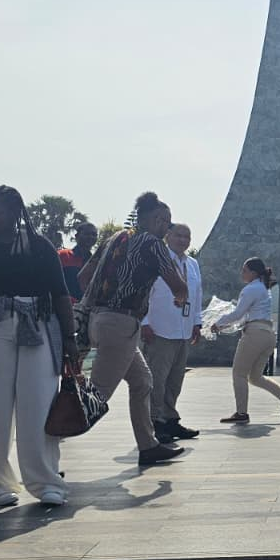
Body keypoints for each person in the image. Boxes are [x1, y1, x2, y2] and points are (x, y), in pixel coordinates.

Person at [0, 186, 79, 508]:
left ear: (15, 213)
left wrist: (70, 340)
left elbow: (60, 293)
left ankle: (45, 482)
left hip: (38, 324)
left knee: (38, 403)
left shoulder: (39, 246)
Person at [78, 192, 189, 466]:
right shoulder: (153, 243)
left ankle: (148, 446)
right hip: (121, 324)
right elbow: (178, 286)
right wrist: (180, 299)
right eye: (168, 223)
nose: (168, 229)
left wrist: (102, 305)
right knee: (97, 395)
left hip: (98, 320)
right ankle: (51, 435)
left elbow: (83, 277)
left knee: (142, 382)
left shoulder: (115, 238)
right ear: (157, 220)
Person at [212, 258, 280, 423]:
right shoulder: (264, 289)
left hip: (255, 334)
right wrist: (225, 325)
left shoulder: (250, 289)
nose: (242, 273)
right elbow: (244, 315)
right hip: (268, 335)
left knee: (239, 373)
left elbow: (238, 314)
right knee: (255, 377)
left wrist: (218, 323)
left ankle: (241, 413)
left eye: (244, 270)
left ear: (253, 272)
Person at [143, 223, 203, 444]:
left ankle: (170, 418)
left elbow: (197, 295)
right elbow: (145, 293)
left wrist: (197, 323)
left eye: (187, 236)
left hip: (183, 329)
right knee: (157, 379)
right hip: (160, 329)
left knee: (175, 379)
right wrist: (144, 322)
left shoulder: (193, 264)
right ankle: (155, 422)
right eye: (178, 235)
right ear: (168, 236)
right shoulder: (157, 260)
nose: (183, 240)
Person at [58, 222, 98, 302]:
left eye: (94, 234)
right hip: (63, 306)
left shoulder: (96, 262)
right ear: (76, 236)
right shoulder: (62, 255)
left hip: (85, 309)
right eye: (87, 234)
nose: (91, 237)